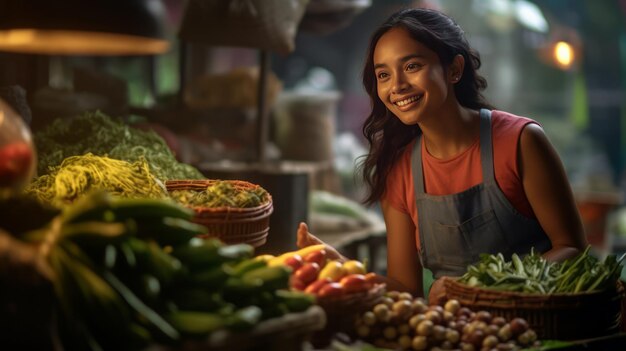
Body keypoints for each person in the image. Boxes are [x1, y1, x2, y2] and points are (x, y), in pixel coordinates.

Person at [297, 7, 587, 304]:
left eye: (412, 66)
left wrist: (477, 287)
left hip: (534, 326)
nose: (396, 85)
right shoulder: (399, 169)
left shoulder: (520, 141)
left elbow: (572, 249)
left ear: (454, 70)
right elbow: (405, 289)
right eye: (383, 74)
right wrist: (344, 268)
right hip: (457, 332)